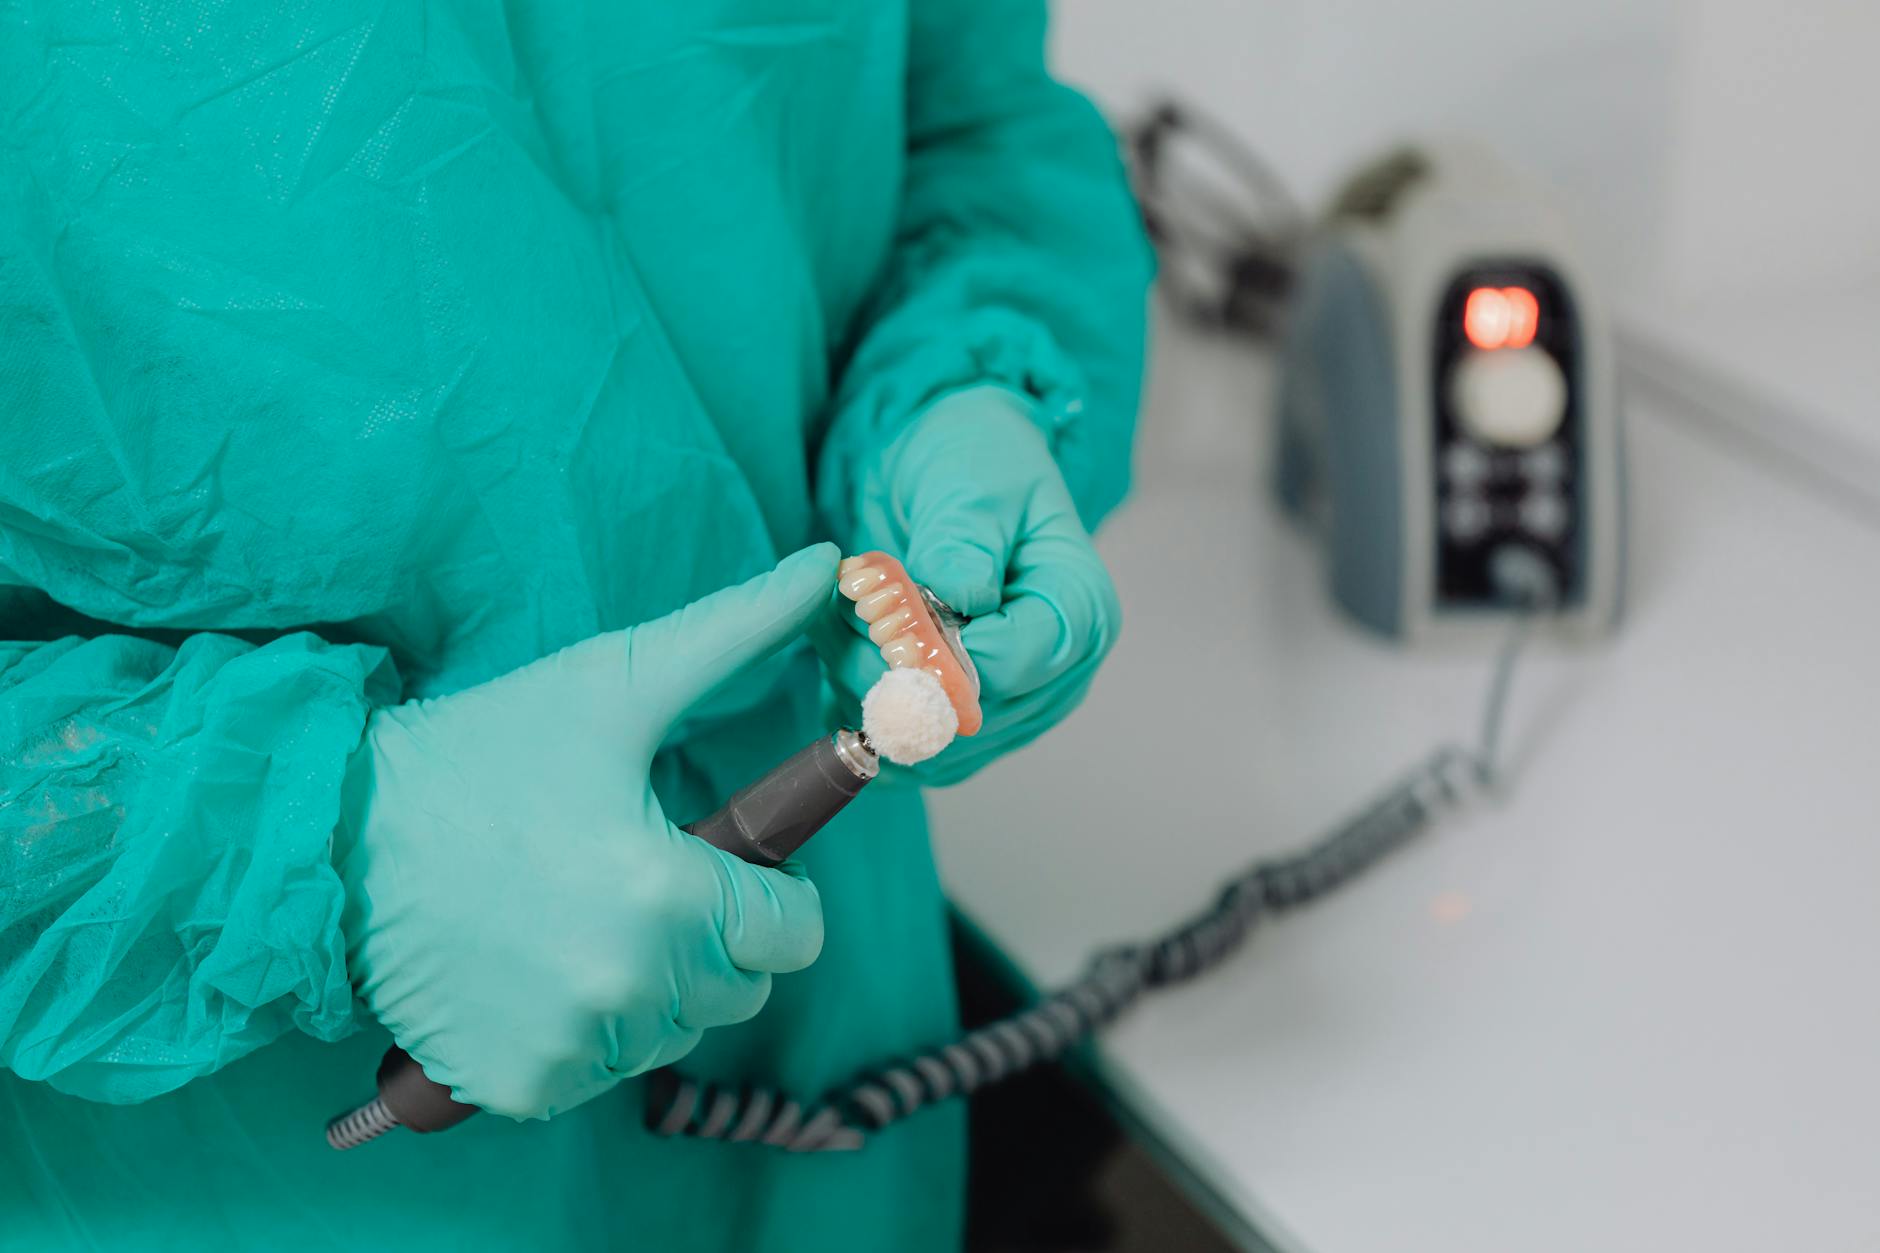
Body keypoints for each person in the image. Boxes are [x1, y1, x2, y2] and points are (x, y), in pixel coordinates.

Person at [0, 1, 1150, 1248]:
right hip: (235, 1135)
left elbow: (957, 109)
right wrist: (320, 837)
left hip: (814, 1035)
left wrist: (961, 383)